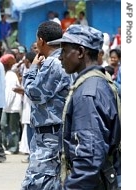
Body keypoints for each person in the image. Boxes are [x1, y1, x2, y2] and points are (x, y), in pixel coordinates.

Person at [48, 24, 121, 189]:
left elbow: (89, 157)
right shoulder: (99, 81)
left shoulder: (88, 93)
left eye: (64, 51)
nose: (60, 57)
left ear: (80, 52)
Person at [21, 21, 72, 190]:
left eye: (37, 41)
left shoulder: (53, 62)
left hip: (50, 137)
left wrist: (32, 69)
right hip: (55, 133)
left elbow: (34, 93)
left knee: (36, 184)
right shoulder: (63, 59)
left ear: (41, 41)